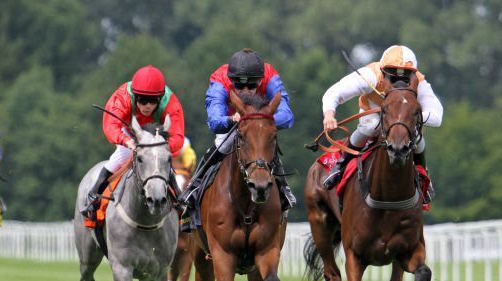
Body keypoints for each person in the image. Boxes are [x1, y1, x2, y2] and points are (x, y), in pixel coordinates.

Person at [181, 48, 296, 211]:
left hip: (259, 125)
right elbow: (214, 121)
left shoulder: (270, 75)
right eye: (239, 86)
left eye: (251, 85)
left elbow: (287, 115)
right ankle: (194, 188)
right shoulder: (219, 80)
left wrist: (261, 122)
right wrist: (230, 119)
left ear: (260, 81)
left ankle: (284, 190)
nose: (245, 92)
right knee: (222, 144)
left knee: (266, 142)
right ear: (231, 81)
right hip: (233, 125)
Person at [321, 45, 443, 195]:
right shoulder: (370, 75)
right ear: (383, 72)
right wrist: (329, 114)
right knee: (371, 126)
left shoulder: (419, 81)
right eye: (393, 77)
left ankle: (423, 175)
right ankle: (339, 166)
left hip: (403, 119)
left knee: (416, 136)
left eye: (405, 78)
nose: (400, 82)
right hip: (373, 113)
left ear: (413, 75)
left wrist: (409, 116)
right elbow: (334, 93)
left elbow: (437, 116)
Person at [80, 65, 185, 220]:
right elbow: (110, 125)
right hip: (129, 131)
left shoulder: (170, 102)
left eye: (152, 101)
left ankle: (180, 200)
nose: (147, 106)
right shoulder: (123, 97)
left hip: (155, 135)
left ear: (160, 98)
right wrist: (126, 140)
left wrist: (161, 148)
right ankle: (93, 195)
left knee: (159, 159)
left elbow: (177, 136)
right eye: (142, 101)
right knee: (124, 154)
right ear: (135, 96)